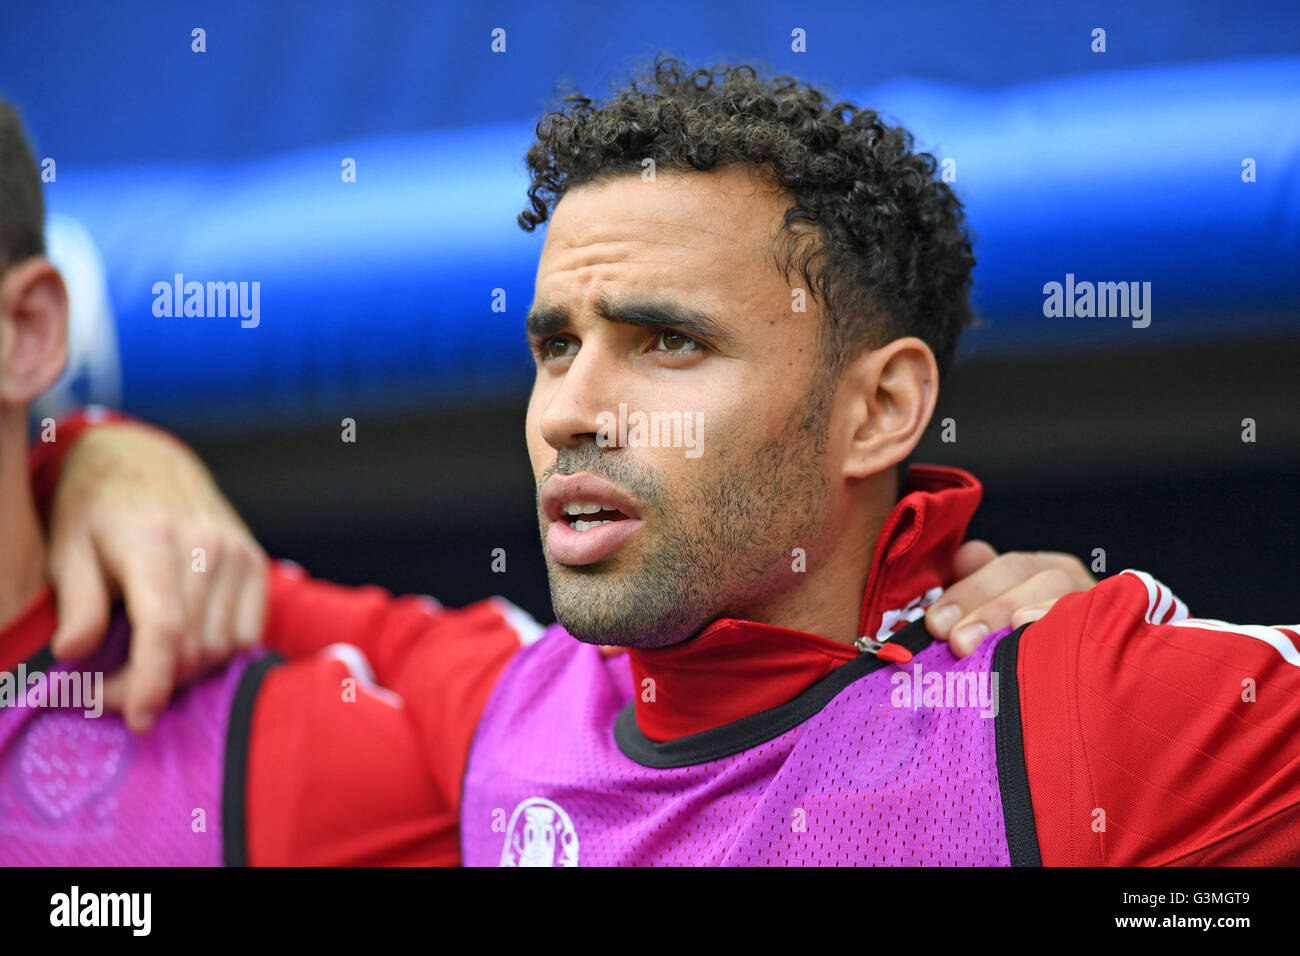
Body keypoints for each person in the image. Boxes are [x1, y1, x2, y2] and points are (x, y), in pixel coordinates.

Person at [56, 55, 1293, 866]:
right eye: (555, 345)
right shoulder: (496, 705)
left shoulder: (1078, 705)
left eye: (667, 343)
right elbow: (198, 572)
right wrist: (96, 453)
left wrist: (1121, 669)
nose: (568, 412)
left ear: (879, 409)